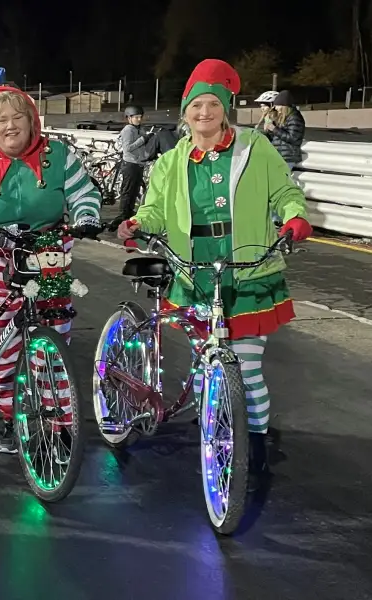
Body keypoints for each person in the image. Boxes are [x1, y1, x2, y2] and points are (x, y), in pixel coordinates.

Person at [117, 58, 313, 487]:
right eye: (195, 106)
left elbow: (284, 192)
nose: (203, 113)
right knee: (207, 361)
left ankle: (254, 445)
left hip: (248, 269)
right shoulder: (171, 161)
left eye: (212, 105)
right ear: (185, 112)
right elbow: (154, 210)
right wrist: (137, 223)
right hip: (193, 272)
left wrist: (295, 217)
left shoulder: (254, 148)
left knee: (246, 366)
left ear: (225, 108)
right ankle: (215, 421)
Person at [0, 86, 101, 452]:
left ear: (31, 122)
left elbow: (84, 194)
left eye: (18, 117)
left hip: (48, 257)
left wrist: (86, 216)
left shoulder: (58, 156)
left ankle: (59, 424)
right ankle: (12, 420)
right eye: (1, 119)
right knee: (3, 349)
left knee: (53, 345)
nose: (10, 125)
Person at [113, 105, 156, 227]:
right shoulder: (128, 130)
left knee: (135, 190)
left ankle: (129, 212)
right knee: (128, 190)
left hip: (139, 163)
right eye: (136, 117)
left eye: (140, 117)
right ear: (129, 118)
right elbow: (127, 148)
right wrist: (143, 139)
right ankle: (123, 214)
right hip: (130, 163)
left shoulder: (139, 129)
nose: (138, 119)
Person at [260, 90, 306, 169]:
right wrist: (267, 131)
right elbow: (277, 138)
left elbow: (293, 138)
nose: (276, 108)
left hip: (288, 157)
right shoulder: (284, 118)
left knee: (277, 180)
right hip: (279, 156)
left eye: (277, 105)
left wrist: (274, 129)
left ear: (284, 105)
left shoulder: (295, 118)